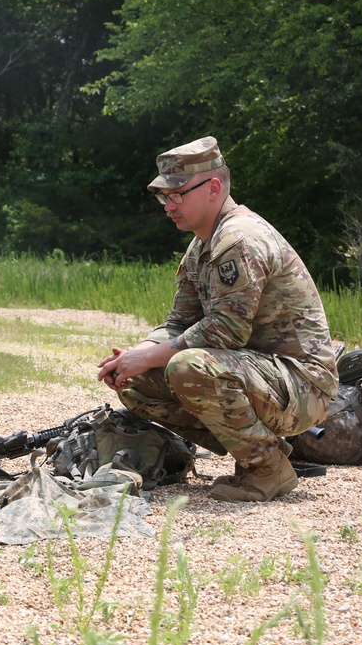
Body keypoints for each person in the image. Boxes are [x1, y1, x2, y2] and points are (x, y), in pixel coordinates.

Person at [96, 137, 337, 502]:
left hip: (303, 384)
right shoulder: (202, 244)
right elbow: (178, 322)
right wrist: (137, 355)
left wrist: (147, 356)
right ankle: (257, 450)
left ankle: (267, 468)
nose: (168, 205)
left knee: (189, 367)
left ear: (212, 188)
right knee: (136, 381)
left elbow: (226, 331)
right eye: (164, 196)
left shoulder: (239, 239)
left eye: (177, 194)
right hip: (256, 374)